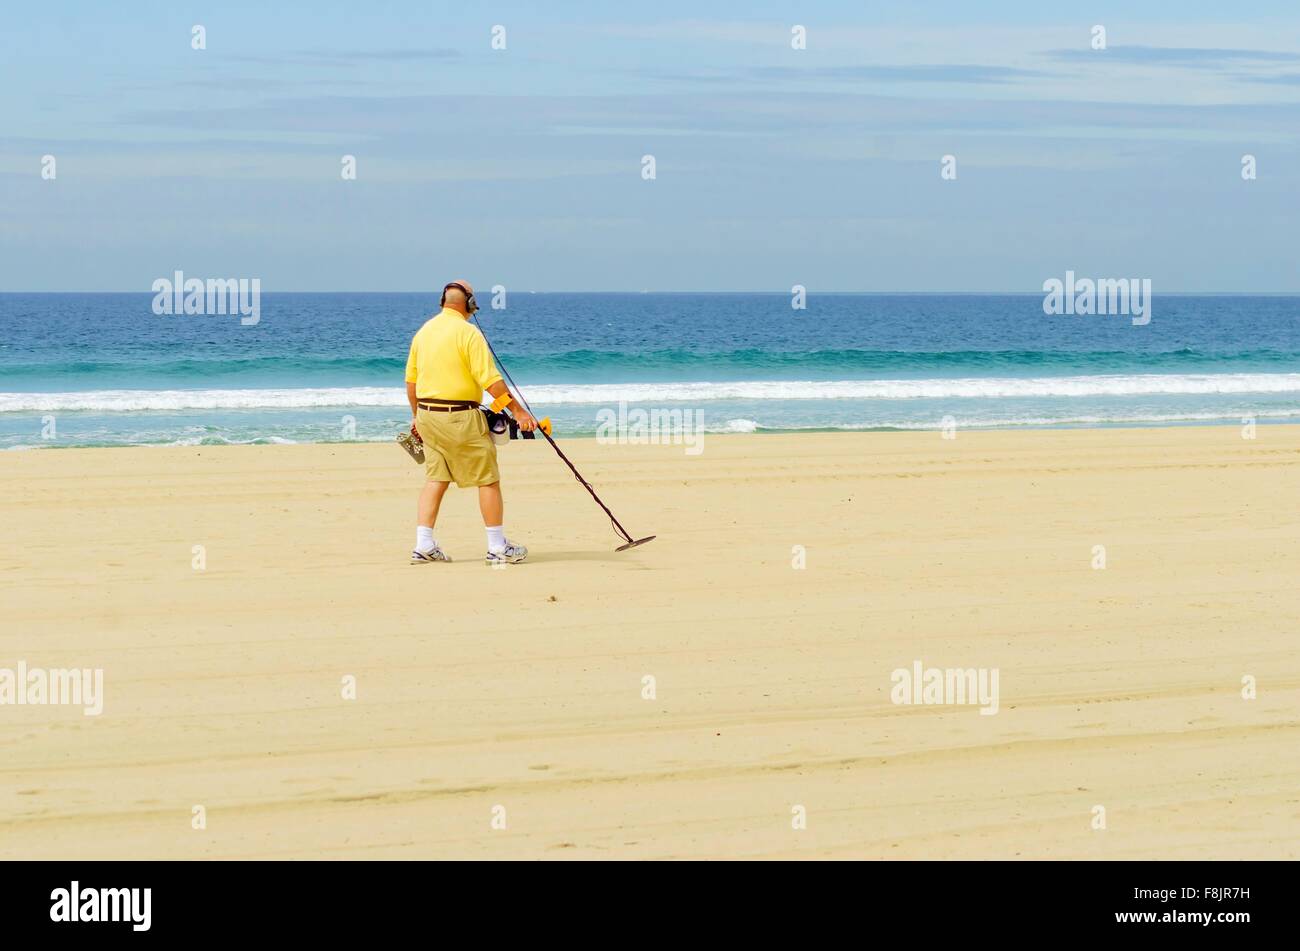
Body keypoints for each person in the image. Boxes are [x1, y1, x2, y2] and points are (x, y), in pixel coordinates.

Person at [404, 280, 536, 564]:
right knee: (487, 478)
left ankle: (423, 545)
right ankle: (497, 547)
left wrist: (416, 417)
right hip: (460, 417)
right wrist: (519, 412)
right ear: (470, 304)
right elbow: (490, 381)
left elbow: (411, 383)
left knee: (436, 478)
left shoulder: (423, 332)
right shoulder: (469, 333)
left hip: (427, 416)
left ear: (442, 302)